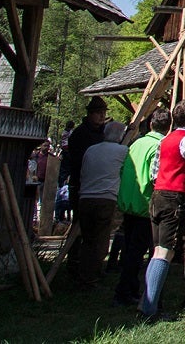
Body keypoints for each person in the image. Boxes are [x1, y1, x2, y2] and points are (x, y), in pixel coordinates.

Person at [141, 98, 185, 323]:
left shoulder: (166, 139)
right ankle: (149, 308)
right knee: (165, 251)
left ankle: (147, 302)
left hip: (158, 195)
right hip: (174, 197)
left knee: (157, 251)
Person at [113, 111, 164, 308]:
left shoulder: (136, 144)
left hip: (129, 203)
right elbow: (154, 176)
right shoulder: (158, 146)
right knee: (140, 253)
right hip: (145, 204)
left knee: (131, 250)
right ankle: (126, 292)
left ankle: (129, 289)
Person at [72, 119, 128, 287]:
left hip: (86, 197)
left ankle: (83, 272)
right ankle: (91, 276)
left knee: (87, 239)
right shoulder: (122, 151)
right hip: (105, 198)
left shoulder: (91, 150)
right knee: (101, 240)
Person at [67, 97, 112, 202]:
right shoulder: (79, 134)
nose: (102, 116)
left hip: (101, 185)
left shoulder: (105, 133)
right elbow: (78, 161)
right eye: (98, 113)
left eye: (104, 113)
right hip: (82, 184)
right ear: (90, 114)